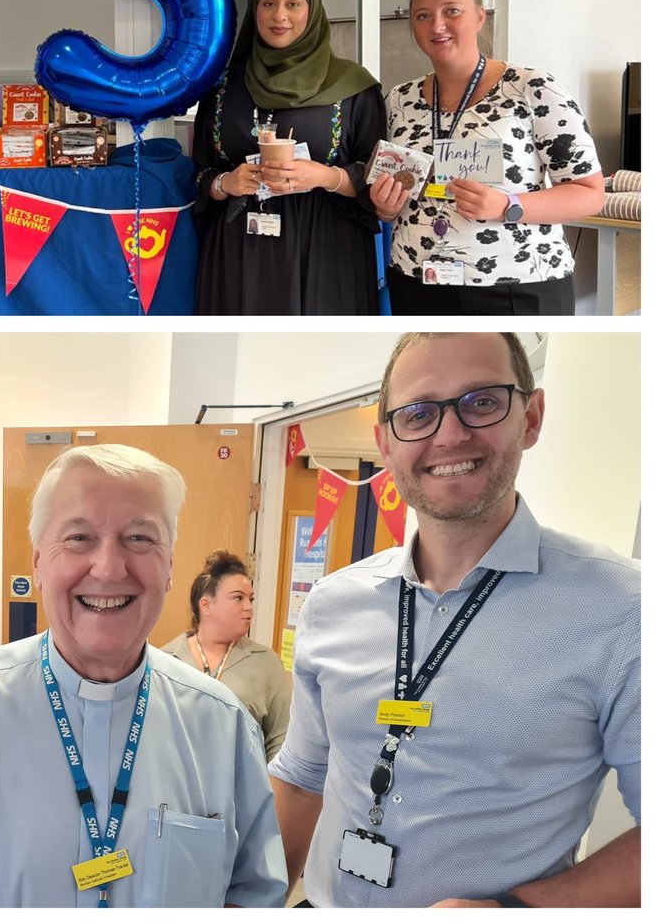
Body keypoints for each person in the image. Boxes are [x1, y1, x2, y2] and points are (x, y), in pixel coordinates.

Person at [268, 332, 639, 907]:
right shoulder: (333, 602)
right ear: (385, 444)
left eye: (482, 401)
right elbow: (301, 777)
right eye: (416, 413)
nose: (449, 434)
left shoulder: (622, 608)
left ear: (531, 417)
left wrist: (518, 910)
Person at [0, 444, 287, 908]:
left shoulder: (222, 724)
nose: (109, 568)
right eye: (78, 538)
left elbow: (254, 890)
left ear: (170, 566)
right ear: (37, 563)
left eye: (139, 538)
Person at [370, 0, 604, 314]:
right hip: (418, 281)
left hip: (518, 285)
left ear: (479, 17)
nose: (437, 25)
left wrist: (508, 206)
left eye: (452, 11)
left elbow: (590, 194)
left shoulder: (531, 89)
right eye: (422, 15)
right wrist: (384, 207)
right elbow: (395, 190)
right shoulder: (399, 100)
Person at [193, 0, 386, 314]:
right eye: (268, 3)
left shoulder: (353, 86)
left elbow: (375, 174)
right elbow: (200, 173)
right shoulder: (222, 86)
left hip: (326, 250)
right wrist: (226, 183)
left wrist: (326, 176)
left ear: (311, 11)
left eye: (293, 3)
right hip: (240, 249)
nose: (279, 15)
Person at [161, 549, 290, 762]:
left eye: (251, 599)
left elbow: (280, 741)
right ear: (206, 605)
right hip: (176, 790)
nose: (248, 607)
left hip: (242, 791)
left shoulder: (266, 663)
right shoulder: (166, 660)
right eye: (238, 598)